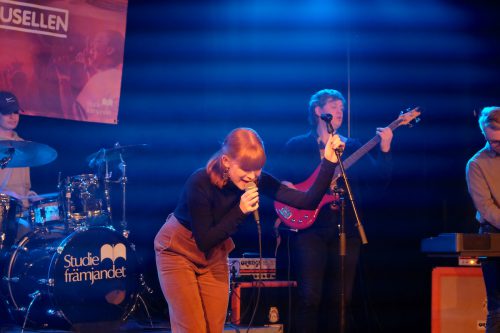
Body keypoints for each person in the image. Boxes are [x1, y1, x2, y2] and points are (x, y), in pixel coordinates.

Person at [154, 127, 345, 333]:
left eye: (258, 169)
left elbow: (307, 201)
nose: (252, 177)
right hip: (178, 250)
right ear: (226, 161)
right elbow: (205, 240)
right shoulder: (200, 182)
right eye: (246, 169)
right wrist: (241, 210)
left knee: (213, 328)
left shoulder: (256, 179)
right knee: (193, 328)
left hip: (214, 254)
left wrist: (328, 162)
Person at [275, 89, 393, 332]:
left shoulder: (350, 147)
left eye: (342, 106)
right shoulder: (296, 145)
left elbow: (380, 180)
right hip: (309, 230)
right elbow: (280, 184)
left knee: (341, 301)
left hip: (346, 229)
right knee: (309, 297)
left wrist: (385, 149)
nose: (340, 110)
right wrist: (286, 186)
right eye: (334, 105)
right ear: (318, 110)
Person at [466, 106, 500, 333]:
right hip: (494, 233)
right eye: (494, 141)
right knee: (498, 310)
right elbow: (486, 209)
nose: (498, 145)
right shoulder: (476, 164)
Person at [0, 91, 36, 245]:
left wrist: (29, 194)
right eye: (6, 112)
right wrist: (6, 194)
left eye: (15, 112)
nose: (12, 117)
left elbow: (23, 185)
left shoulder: (23, 144)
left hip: (21, 213)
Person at [73, 30, 124, 123]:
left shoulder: (103, 79)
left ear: (109, 50)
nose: (90, 47)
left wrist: (63, 78)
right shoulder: (113, 77)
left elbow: (74, 113)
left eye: (97, 41)